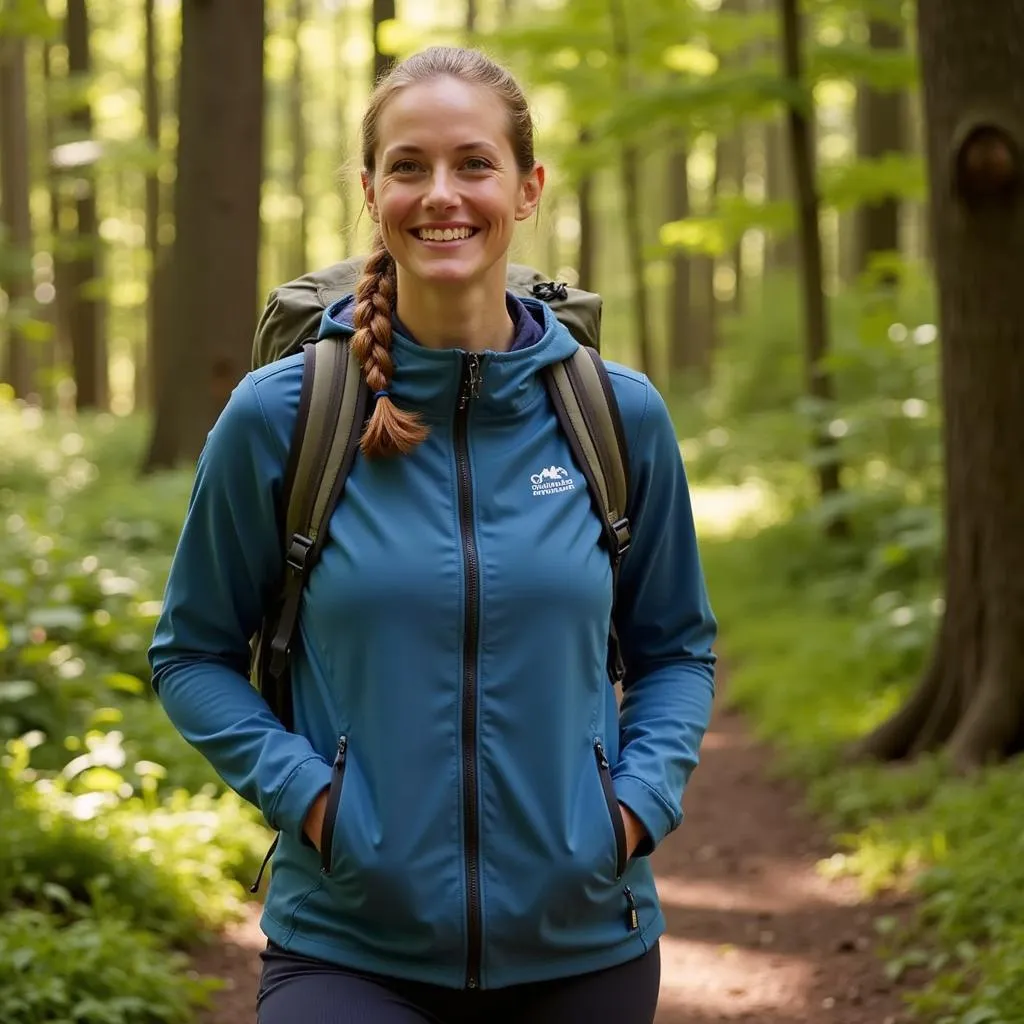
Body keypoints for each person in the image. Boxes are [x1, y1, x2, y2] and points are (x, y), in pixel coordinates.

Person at [149, 44, 716, 1024]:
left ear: (528, 187)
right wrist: (317, 804)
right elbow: (191, 652)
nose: (440, 194)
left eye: (473, 163)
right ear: (370, 190)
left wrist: (629, 813)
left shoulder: (616, 416)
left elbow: (675, 650)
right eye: (408, 165)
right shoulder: (283, 416)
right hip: (348, 944)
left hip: (584, 941)